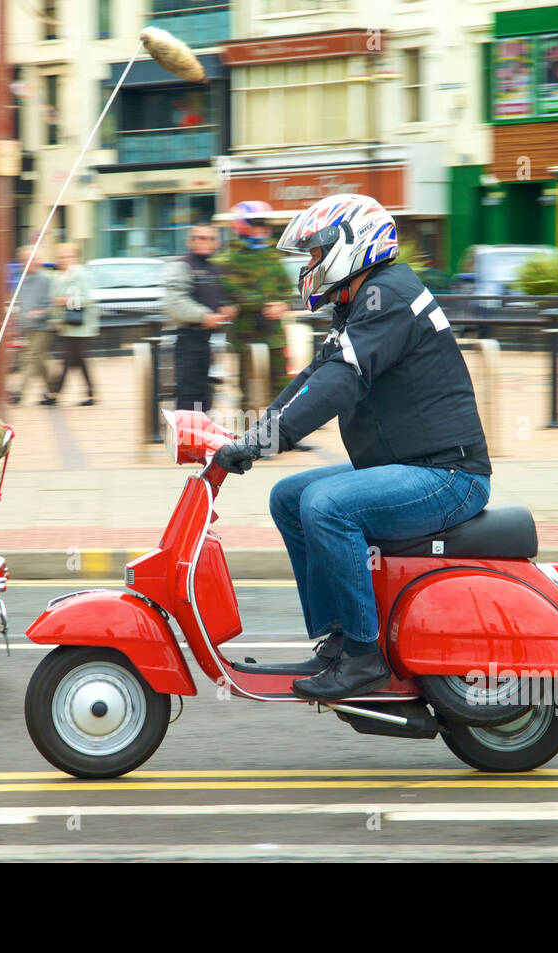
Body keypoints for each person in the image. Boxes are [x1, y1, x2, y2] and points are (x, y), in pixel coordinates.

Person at [213, 194, 492, 700]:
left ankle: (365, 657)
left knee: (327, 504)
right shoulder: (362, 301)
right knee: (290, 498)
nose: (310, 266)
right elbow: (314, 376)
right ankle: (339, 637)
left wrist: (264, 443)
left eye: (316, 254)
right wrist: (252, 436)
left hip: (448, 476)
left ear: (352, 246)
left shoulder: (390, 296)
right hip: (409, 467)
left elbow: (340, 384)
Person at [219, 201, 293, 413]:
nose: (264, 228)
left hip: (274, 334)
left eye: (266, 224)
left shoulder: (272, 254)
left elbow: (286, 286)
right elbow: (234, 291)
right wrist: (263, 304)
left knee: (281, 385)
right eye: (258, 223)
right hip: (246, 335)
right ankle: (250, 435)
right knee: (248, 388)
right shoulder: (231, 258)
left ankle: (285, 431)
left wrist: (283, 303)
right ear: (242, 225)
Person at [164, 224, 235, 412]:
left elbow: (222, 297)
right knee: (189, 397)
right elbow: (174, 303)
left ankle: (199, 438)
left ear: (217, 243)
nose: (205, 242)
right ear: (189, 241)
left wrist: (227, 306)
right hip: (188, 340)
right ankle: (186, 440)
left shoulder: (214, 268)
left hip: (207, 342)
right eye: (199, 238)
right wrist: (204, 316)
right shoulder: (183, 266)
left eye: (210, 238)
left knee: (204, 397)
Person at [49, 243, 99, 405]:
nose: (63, 260)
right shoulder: (60, 277)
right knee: (78, 359)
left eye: (67, 256)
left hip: (82, 325)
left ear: (75, 258)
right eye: (61, 257)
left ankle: (55, 393)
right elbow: (54, 298)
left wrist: (66, 300)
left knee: (68, 359)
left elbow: (89, 298)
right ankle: (91, 394)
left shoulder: (82, 275)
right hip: (68, 325)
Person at [10, 246, 58, 405]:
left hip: (43, 327)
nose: (26, 262)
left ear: (37, 261)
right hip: (28, 327)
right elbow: (21, 303)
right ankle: (53, 387)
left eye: (30, 259)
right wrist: (19, 326)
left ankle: (19, 392)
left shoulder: (46, 279)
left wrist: (40, 313)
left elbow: (52, 303)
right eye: (24, 259)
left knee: (30, 358)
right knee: (40, 359)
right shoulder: (22, 279)